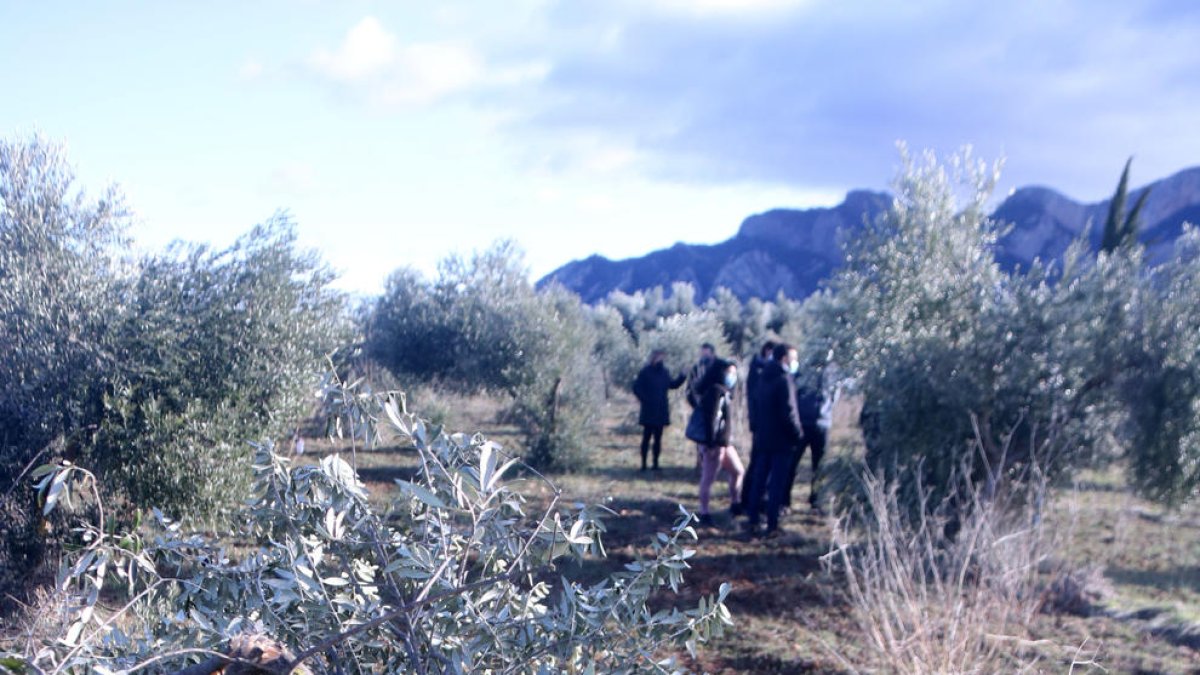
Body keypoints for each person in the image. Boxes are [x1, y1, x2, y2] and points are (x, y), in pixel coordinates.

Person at [744, 343, 806, 538]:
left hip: (763, 438)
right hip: (781, 441)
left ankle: (753, 520)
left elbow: (755, 406)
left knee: (759, 481)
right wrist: (798, 434)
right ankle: (772, 525)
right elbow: (788, 412)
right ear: (784, 358)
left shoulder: (763, 377)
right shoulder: (783, 380)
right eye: (793, 358)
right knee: (776, 485)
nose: (795, 362)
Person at [784, 353, 837, 514]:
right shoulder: (802, 372)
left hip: (821, 425)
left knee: (819, 466)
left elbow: (834, 395)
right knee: (791, 463)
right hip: (802, 424)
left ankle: (816, 500)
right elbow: (794, 393)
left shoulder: (832, 373)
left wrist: (825, 413)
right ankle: (784, 501)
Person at [695, 359, 746, 526]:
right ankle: (704, 513)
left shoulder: (722, 391)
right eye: (729, 372)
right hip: (715, 444)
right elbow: (711, 420)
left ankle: (735, 503)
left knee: (738, 471)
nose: (732, 376)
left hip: (723, 443)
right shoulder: (715, 391)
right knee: (708, 478)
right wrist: (710, 445)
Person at [632, 350, 687, 471]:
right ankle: (643, 464)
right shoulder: (645, 372)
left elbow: (673, 385)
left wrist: (682, 376)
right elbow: (636, 387)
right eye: (659, 357)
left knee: (658, 439)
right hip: (649, 410)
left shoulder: (664, 372)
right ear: (653, 358)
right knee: (646, 438)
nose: (661, 360)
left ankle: (655, 464)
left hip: (661, 410)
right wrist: (645, 400)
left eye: (662, 357)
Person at [740, 340, 775, 513]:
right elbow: (754, 399)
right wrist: (754, 422)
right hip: (760, 425)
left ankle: (754, 500)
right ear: (768, 351)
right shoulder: (758, 369)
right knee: (757, 463)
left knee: (760, 463)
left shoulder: (760, 368)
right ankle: (748, 500)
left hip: (762, 425)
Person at [685, 343, 718, 410]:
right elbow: (689, 390)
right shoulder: (696, 369)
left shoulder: (719, 367)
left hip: (716, 406)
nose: (704, 358)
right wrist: (695, 402)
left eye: (706, 355)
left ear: (712, 354)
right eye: (702, 355)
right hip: (700, 407)